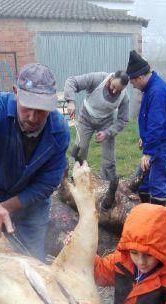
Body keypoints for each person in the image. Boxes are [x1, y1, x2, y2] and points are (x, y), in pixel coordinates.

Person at [0, 63, 70, 261]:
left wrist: (6, 207)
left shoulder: (59, 130)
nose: (33, 117)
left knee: (33, 260)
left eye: (41, 110)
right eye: (27, 107)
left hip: (31, 206)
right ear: (16, 92)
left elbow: (47, 183)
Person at [64, 70, 129, 206]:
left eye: (118, 89)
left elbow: (123, 120)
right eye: (113, 86)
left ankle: (109, 189)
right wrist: (71, 101)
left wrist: (108, 133)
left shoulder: (124, 97)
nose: (114, 91)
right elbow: (72, 81)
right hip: (86, 117)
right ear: (111, 78)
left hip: (106, 122)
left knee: (109, 157)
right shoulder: (97, 79)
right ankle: (77, 180)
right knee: (81, 148)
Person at [126, 50, 166, 206]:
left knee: (158, 182)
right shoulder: (149, 88)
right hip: (154, 142)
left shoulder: (157, 91)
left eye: (133, 82)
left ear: (140, 77)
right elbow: (148, 119)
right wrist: (145, 138)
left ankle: (157, 220)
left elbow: (157, 124)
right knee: (144, 180)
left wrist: (148, 152)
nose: (133, 86)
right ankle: (145, 215)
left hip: (161, 144)